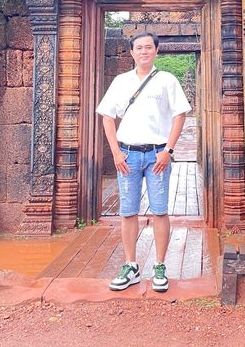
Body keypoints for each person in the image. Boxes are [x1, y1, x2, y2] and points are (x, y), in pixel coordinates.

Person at [96, 30, 191, 293]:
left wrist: (168, 151)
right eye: (139, 48)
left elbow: (180, 114)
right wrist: (115, 152)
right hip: (127, 155)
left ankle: (159, 265)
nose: (144, 52)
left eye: (149, 47)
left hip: (157, 155)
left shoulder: (167, 81)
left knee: (160, 210)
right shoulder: (120, 82)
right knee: (128, 211)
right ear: (131, 52)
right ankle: (131, 265)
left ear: (156, 51)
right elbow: (107, 116)